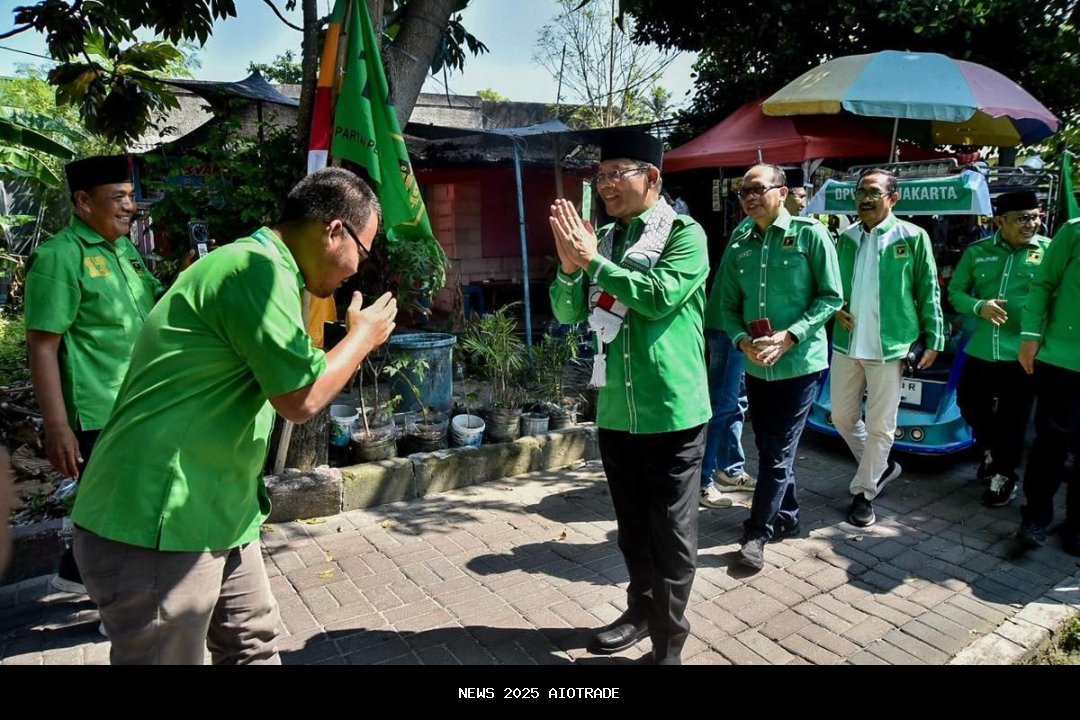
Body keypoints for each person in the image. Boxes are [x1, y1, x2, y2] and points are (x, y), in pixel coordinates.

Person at [69, 168, 397, 664]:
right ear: (334, 230)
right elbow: (301, 397)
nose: (358, 269)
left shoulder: (272, 272)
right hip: (159, 518)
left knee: (252, 645)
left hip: (219, 512)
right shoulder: (253, 269)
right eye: (363, 252)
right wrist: (363, 337)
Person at [548, 129, 709, 664]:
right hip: (616, 408)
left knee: (671, 536)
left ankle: (669, 645)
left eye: (618, 174)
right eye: (601, 176)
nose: (606, 186)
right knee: (633, 531)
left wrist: (591, 260)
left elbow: (659, 298)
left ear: (652, 178)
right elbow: (569, 313)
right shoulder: (607, 241)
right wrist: (571, 269)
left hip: (671, 409)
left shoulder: (684, 234)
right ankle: (639, 612)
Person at [24, 154, 163, 595]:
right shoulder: (58, 257)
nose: (129, 206)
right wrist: (57, 426)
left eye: (131, 196)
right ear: (83, 202)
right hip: (99, 410)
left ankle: (76, 573)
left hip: (140, 400)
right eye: (117, 197)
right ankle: (119, 605)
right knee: (123, 509)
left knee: (120, 504)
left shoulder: (123, 249)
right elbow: (43, 346)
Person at [714, 164, 842, 571]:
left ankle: (757, 532)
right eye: (742, 192)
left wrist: (790, 336)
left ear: (782, 192)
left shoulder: (811, 235)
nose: (748, 198)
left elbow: (831, 297)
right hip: (757, 364)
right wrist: (741, 341)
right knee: (770, 447)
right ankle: (786, 515)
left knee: (776, 452)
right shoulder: (740, 243)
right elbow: (726, 306)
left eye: (756, 189)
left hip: (799, 363)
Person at [831, 169, 944, 528]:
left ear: (893, 198)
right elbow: (830, 285)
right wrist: (835, 308)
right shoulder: (846, 237)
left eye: (874, 192)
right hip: (847, 343)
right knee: (842, 417)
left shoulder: (911, 236)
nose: (865, 198)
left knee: (881, 425)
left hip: (891, 345)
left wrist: (934, 336)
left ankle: (864, 492)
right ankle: (882, 466)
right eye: (860, 191)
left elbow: (928, 289)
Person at [949, 191, 1049, 507]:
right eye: (1022, 217)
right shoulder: (978, 252)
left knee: (1014, 419)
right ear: (1000, 221)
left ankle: (1004, 477)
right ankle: (991, 449)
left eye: (1035, 216)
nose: (1031, 223)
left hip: (1024, 354)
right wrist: (979, 306)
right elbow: (955, 291)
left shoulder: (1050, 252)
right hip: (981, 349)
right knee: (969, 404)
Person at [1016, 214, 1080, 556]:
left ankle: (1076, 526)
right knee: (1051, 443)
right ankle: (1036, 516)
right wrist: (1030, 336)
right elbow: (1043, 284)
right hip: (1063, 359)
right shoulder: (1074, 231)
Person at [700, 214, 756, 509]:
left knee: (737, 402)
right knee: (721, 404)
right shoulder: (752, 228)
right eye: (798, 194)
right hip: (728, 326)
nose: (803, 199)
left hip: (741, 329)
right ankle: (701, 481)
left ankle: (730, 469)